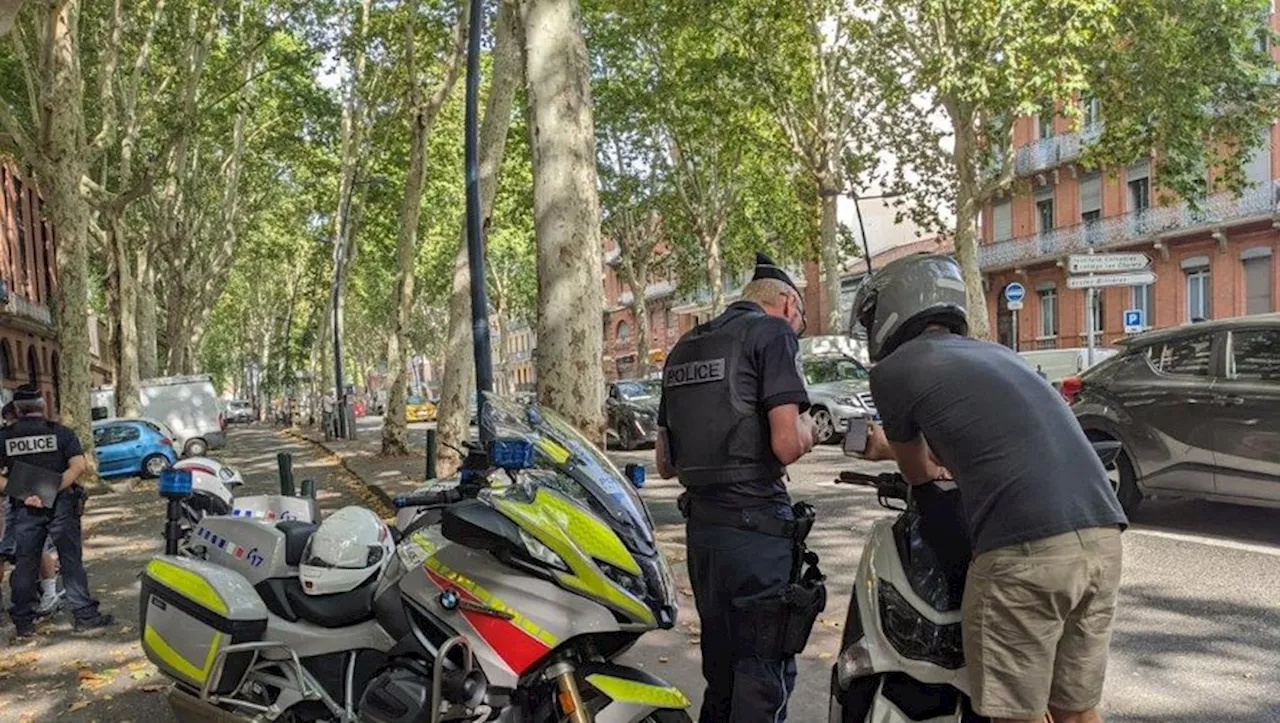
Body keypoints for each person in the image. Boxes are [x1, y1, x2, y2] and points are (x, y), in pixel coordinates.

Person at [852, 254, 1127, 723]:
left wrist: (893, 452)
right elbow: (990, 439)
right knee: (1076, 710)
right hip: (1103, 537)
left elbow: (917, 472)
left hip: (1026, 552)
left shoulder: (893, 370)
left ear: (888, 312)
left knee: (1013, 714)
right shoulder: (1001, 355)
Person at [655, 252, 823, 723]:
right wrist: (811, 431)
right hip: (758, 538)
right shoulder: (771, 335)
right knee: (761, 682)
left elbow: (665, 463)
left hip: (704, 541)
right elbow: (787, 444)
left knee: (722, 678)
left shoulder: (685, 345)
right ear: (788, 302)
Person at [1, 385, 113, 637]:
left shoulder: (4, 437)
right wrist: (52, 491)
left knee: (26, 562)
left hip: (25, 507)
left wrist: (26, 493)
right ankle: (84, 614)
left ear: (17, 409)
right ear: (42, 407)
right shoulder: (60, 433)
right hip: (61, 504)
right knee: (70, 559)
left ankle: (23, 621)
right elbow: (78, 466)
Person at [0, 400, 64, 621]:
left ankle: (44, 596)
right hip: (32, 500)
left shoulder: (11, 438)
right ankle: (47, 594)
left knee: (24, 552)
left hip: (22, 503)